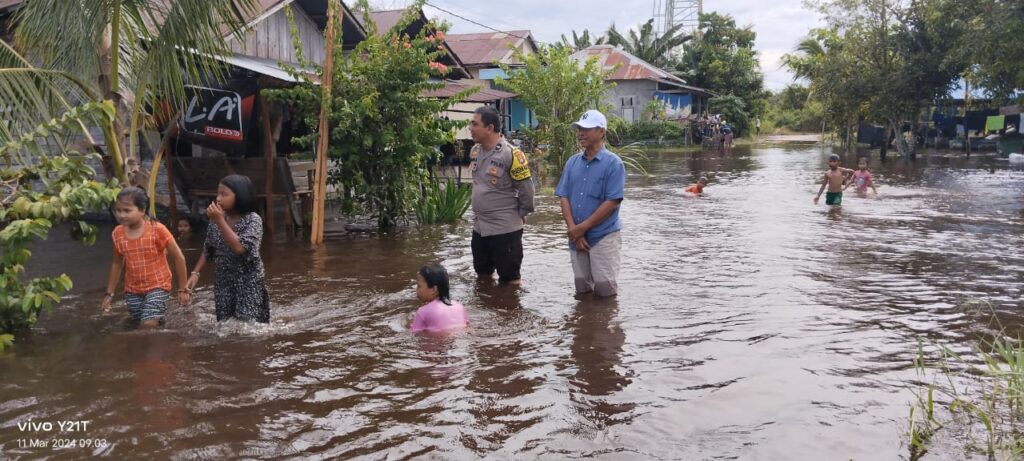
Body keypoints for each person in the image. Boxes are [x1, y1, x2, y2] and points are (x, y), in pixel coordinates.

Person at [555, 110, 626, 297]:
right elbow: (564, 196)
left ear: (601, 132)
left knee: (605, 292)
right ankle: (585, 326)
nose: (580, 133)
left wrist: (581, 228)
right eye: (579, 129)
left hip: (603, 236)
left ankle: (602, 327)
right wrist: (574, 231)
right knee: (582, 290)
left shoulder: (613, 164)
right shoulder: (572, 163)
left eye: (586, 129)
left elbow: (612, 202)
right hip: (576, 237)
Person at [102, 187, 191, 328]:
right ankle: (160, 321)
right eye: (118, 210)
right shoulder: (117, 233)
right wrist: (109, 294)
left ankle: (150, 346)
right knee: (139, 321)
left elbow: (179, 257)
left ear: (142, 210)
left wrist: (183, 289)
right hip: (132, 289)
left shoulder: (157, 229)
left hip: (158, 286)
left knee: (147, 325)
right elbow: (117, 263)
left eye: (127, 211)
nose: (121, 215)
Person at [186, 175, 270, 323]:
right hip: (223, 281)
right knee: (224, 326)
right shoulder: (217, 220)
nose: (218, 198)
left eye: (224, 194)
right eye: (218, 194)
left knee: (248, 327)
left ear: (240, 195)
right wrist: (195, 273)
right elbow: (209, 247)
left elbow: (240, 248)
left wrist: (219, 220)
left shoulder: (253, 219)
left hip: (248, 280)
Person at [468, 106, 535, 285]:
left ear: (489, 128)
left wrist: (520, 215)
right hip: (480, 228)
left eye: (475, 124)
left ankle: (510, 312)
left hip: (505, 229)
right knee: (482, 275)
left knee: (510, 281)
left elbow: (527, 191)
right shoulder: (475, 151)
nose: (470, 128)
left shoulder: (512, 154)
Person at [410, 263, 468, 333]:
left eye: (419, 286)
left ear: (434, 289)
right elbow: (467, 326)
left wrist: (409, 323)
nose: (416, 289)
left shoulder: (422, 312)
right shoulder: (459, 307)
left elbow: (414, 333)